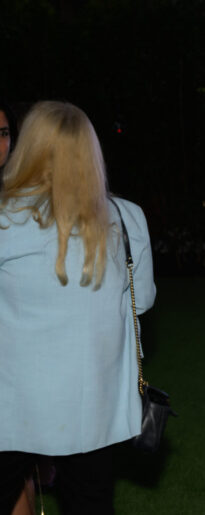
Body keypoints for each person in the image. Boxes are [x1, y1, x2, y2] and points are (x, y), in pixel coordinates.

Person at [0, 101, 155, 514]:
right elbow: (142, 300)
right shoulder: (127, 217)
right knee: (90, 504)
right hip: (93, 404)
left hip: (13, 404)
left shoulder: (5, 217)